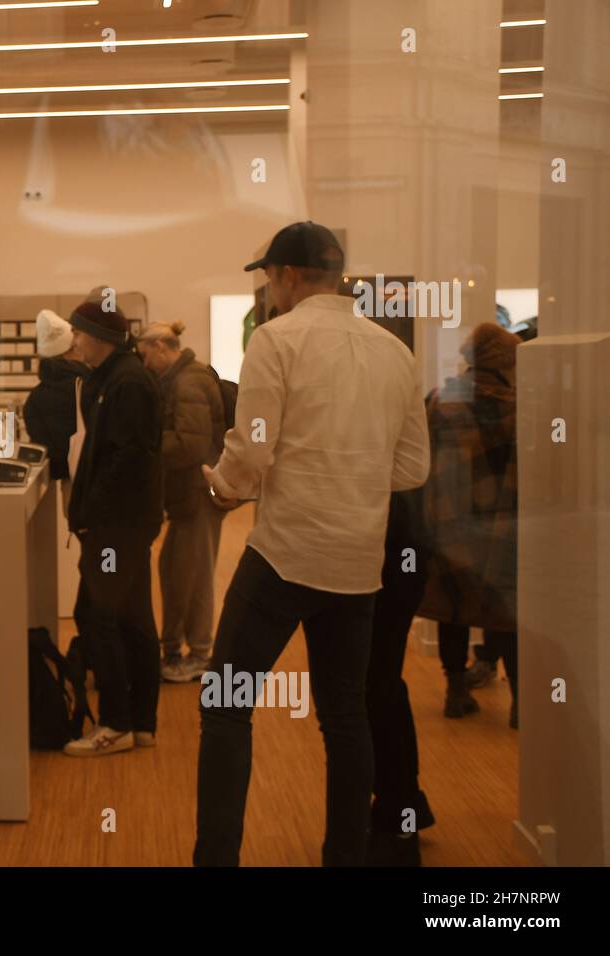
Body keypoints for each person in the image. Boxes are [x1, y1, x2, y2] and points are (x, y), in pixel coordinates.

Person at [194, 221, 431, 866]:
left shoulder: (275, 340)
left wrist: (223, 486)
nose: (269, 292)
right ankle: (345, 858)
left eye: (269, 278)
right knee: (345, 717)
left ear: (289, 276)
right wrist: (352, 473)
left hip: (284, 556)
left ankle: (215, 861)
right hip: (358, 563)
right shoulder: (396, 352)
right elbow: (412, 469)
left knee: (226, 704)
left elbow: (253, 451)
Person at [62, 299, 163, 756]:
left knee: (97, 617)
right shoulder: (110, 378)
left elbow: (128, 459)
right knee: (132, 618)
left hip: (117, 528)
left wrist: (93, 513)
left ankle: (117, 723)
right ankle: (141, 723)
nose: (74, 339)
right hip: (119, 524)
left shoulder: (127, 382)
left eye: (78, 331)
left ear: (98, 337)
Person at [418, 323, 520, 727]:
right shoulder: (520, 405)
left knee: (452, 608)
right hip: (505, 523)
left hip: (451, 520)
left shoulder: (443, 400)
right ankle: (520, 702)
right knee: (508, 611)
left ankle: (456, 691)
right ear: (504, 363)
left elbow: (422, 460)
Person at [135, 321, 227, 684]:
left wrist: (146, 445)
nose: (143, 363)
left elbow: (190, 444)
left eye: (145, 355)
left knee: (194, 575)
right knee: (177, 570)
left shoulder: (188, 382)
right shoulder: (182, 378)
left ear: (161, 346)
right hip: (191, 493)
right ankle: (177, 649)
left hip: (198, 492)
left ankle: (200, 654)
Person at [366, 489, 437, 866]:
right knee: (384, 687)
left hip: (392, 557)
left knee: (377, 691)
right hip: (397, 553)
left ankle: (399, 822)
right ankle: (405, 807)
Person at [22, 310, 90, 497]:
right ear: (71, 351)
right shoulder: (91, 385)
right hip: (98, 481)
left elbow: (43, 449)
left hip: (68, 484)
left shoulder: (34, 399)